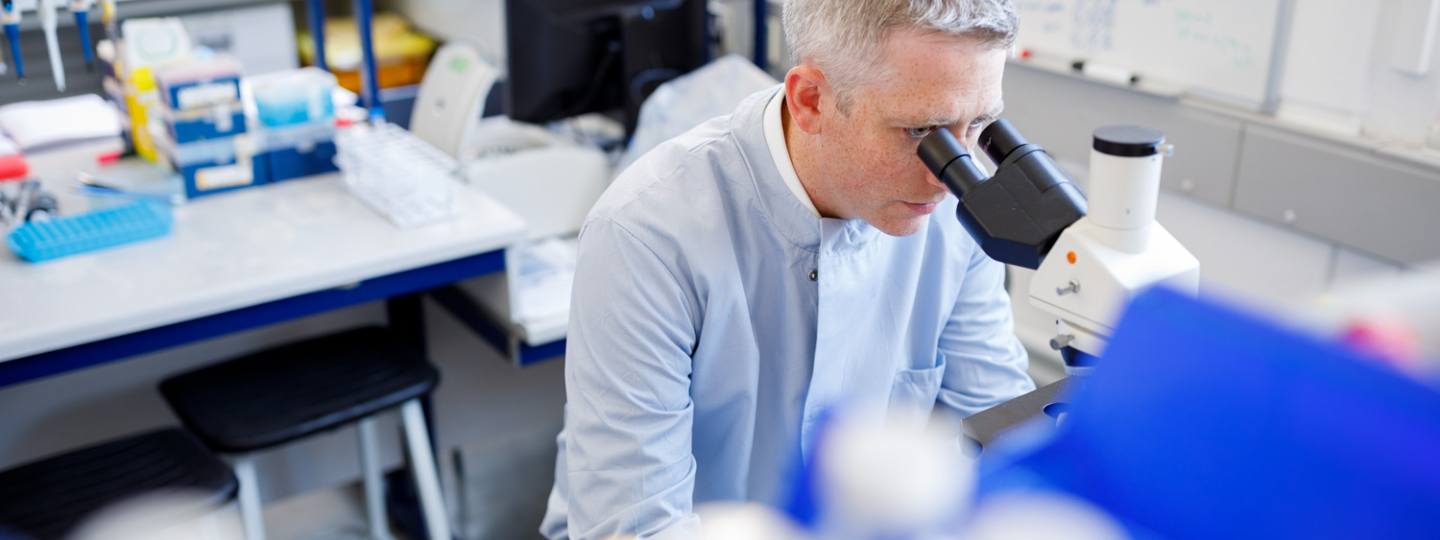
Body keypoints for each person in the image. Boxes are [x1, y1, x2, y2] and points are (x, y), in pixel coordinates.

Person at [541, 1, 1034, 537]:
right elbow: (633, 526)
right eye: (922, 130)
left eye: (980, 124)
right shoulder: (647, 234)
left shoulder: (955, 215)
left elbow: (1003, 436)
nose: (951, 174)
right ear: (811, 100)